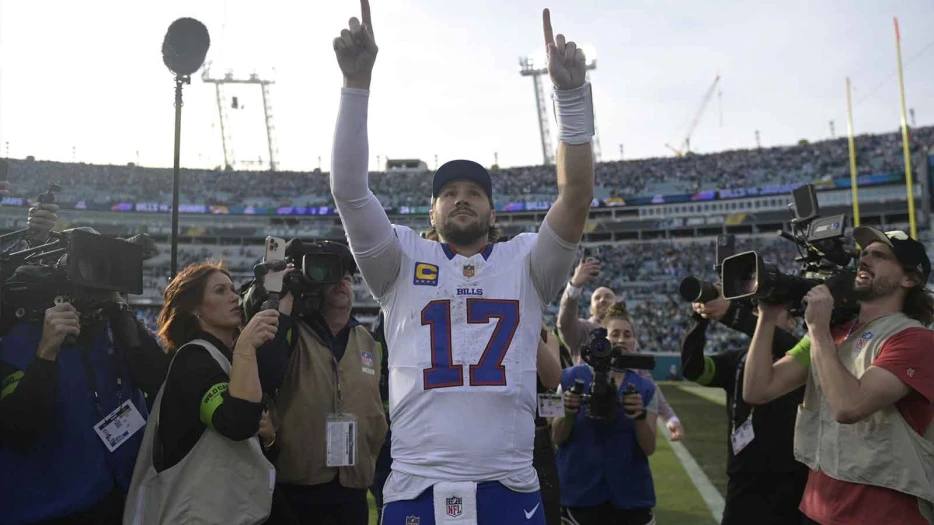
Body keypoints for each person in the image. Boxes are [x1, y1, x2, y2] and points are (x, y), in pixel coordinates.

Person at [329, 2, 595, 522]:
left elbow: (577, 196)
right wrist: (355, 84)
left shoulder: (527, 261)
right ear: (433, 209)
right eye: (449, 192)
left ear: (493, 210)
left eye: (474, 191)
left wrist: (571, 98)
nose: (462, 198)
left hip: (510, 481)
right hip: (416, 483)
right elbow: (350, 192)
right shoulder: (401, 260)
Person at [743, 227, 934, 525]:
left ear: (909, 279)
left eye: (880, 256)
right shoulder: (834, 334)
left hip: (884, 513)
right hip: (817, 508)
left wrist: (818, 331)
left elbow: (848, 407)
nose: (865, 259)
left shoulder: (914, 338)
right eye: (865, 253)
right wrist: (766, 318)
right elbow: (758, 390)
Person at [0, 243, 167, 523]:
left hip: (119, 494)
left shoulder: (113, 327)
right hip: (48, 507)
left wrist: (120, 310)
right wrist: (46, 352)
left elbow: (159, 379)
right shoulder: (16, 342)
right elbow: (17, 431)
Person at [123, 262, 279, 525]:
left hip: (229, 509)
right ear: (195, 309)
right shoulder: (193, 359)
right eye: (220, 291)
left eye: (232, 289)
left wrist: (270, 436)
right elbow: (235, 423)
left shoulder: (226, 358)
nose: (233, 296)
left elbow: (253, 439)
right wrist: (246, 348)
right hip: (196, 514)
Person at [256, 240, 387, 525]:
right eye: (334, 278)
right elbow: (265, 374)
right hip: (298, 484)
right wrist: (283, 309)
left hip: (352, 485)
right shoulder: (293, 331)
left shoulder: (367, 340)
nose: (342, 284)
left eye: (348, 279)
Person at [681, 288, 807, 525]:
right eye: (757, 310)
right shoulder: (737, 360)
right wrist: (699, 320)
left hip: (793, 479)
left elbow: (784, 343)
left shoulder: (803, 356)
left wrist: (734, 314)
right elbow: (693, 368)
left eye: (770, 310)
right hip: (744, 478)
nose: (761, 315)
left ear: (792, 321)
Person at [557, 256, 685, 440]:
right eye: (597, 298)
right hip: (584, 409)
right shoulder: (582, 329)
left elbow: (646, 379)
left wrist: (669, 417)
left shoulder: (629, 340)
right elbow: (564, 321)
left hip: (623, 414)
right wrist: (575, 286)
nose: (602, 300)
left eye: (608, 297)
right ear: (591, 307)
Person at [552, 303, 658, 525]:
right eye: (615, 334)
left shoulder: (646, 388)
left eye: (627, 335)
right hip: (580, 494)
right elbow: (557, 437)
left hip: (630, 495)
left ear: (634, 342)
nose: (621, 339)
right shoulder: (569, 378)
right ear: (602, 340)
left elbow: (649, 447)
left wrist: (638, 416)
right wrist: (569, 412)